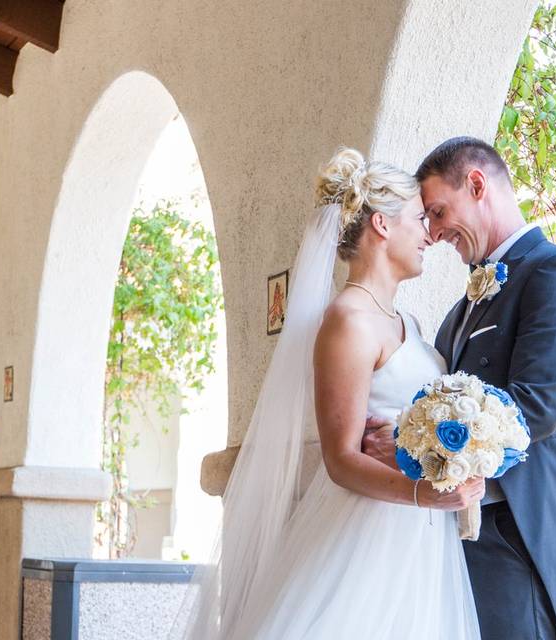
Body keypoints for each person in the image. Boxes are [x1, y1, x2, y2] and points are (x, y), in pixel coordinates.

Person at [178, 148, 484, 639]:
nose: (429, 233)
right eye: (418, 219)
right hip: (367, 530)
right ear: (382, 226)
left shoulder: (408, 322)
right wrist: (421, 494)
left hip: (417, 539)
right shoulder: (348, 320)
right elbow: (341, 459)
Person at [363, 137, 556, 640]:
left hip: (519, 535)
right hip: (455, 539)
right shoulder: (458, 312)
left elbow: (538, 407)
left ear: (476, 184)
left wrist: (415, 445)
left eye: (437, 210)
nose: (432, 230)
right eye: (425, 218)